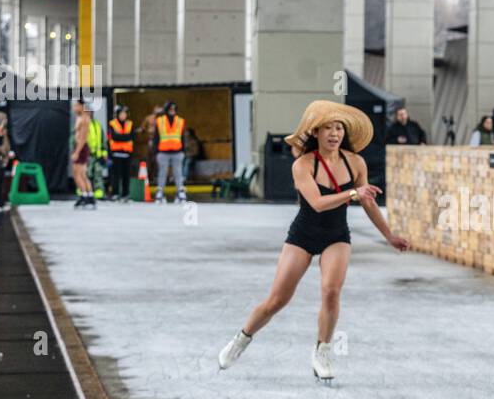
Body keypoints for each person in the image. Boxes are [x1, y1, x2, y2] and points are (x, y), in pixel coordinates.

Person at [216, 99, 410, 381]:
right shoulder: (302, 165)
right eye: (328, 128)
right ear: (316, 133)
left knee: (331, 292)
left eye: (339, 128)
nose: (334, 133)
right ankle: (242, 339)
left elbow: (368, 203)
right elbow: (318, 203)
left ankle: (322, 351)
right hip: (303, 235)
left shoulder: (355, 162)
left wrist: (389, 235)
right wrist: (353, 194)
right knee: (277, 300)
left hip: (336, 235)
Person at [153, 100, 187, 203]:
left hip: (177, 151)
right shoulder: (160, 121)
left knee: (178, 173)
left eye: (174, 109)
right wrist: (156, 151)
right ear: (166, 110)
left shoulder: (180, 121)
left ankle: (180, 192)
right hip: (163, 151)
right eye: (170, 109)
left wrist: (183, 151)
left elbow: (183, 137)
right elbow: (156, 137)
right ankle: (160, 192)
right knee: (163, 172)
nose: (172, 111)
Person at [69, 102, 96, 210]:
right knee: (80, 174)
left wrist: (77, 151)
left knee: (79, 174)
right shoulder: (80, 117)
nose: (74, 108)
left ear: (81, 106)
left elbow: (83, 137)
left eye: (76, 106)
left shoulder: (85, 119)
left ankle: (86, 197)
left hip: (81, 147)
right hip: (80, 147)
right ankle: (87, 196)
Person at [107, 104, 136, 201]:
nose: (123, 115)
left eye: (125, 114)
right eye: (121, 113)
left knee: (126, 176)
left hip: (127, 154)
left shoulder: (130, 124)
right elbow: (114, 137)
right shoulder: (112, 124)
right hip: (116, 154)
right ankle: (115, 193)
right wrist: (125, 137)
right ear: (118, 114)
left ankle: (125, 194)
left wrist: (121, 137)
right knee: (116, 175)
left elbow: (132, 137)